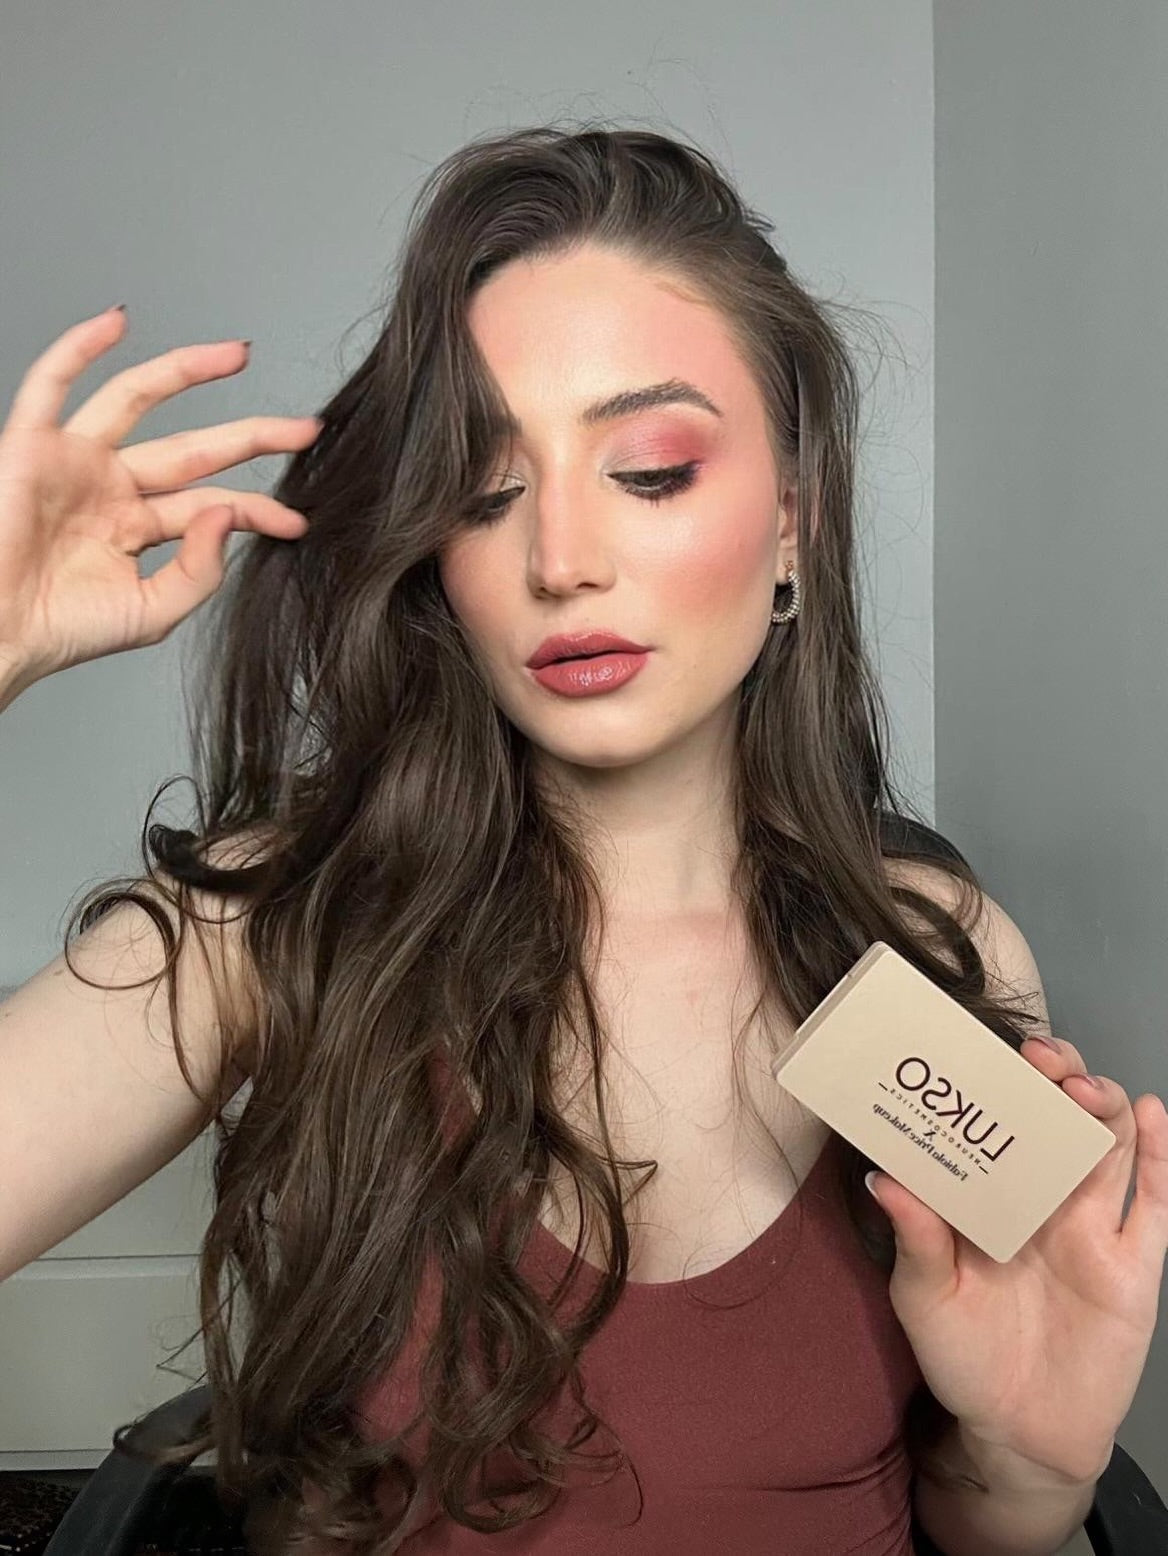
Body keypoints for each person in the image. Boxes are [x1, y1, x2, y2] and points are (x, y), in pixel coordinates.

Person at [0, 124, 1118, 1554]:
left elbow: (983, 1521)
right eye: (485, 488)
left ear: (792, 521)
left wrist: (1032, 1461)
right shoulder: (274, 926)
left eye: (649, 470)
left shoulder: (931, 949)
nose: (560, 559)